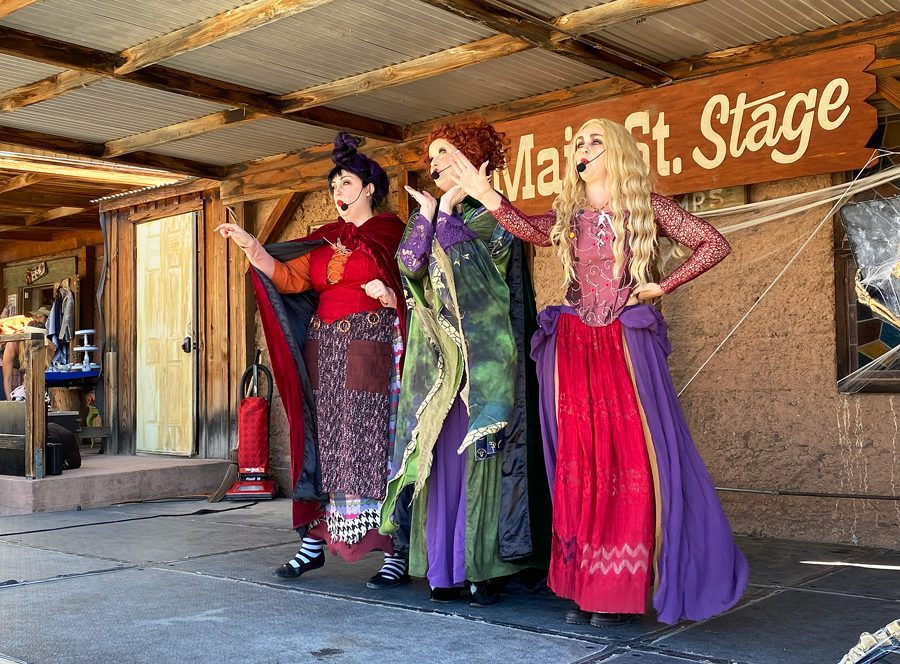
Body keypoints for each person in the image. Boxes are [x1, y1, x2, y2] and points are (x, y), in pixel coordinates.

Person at [452, 117, 749, 626]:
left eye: (595, 141)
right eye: (578, 142)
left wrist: (662, 286)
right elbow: (532, 232)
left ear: (617, 152)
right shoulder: (569, 213)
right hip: (574, 347)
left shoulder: (648, 208)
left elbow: (713, 243)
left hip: (623, 346)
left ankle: (618, 590)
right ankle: (586, 585)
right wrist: (487, 195)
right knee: (580, 464)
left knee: (628, 462)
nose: (583, 149)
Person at [215, 133, 409, 588]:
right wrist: (251, 246)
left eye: (347, 183)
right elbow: (286, 279)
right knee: (322, 446)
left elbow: (416, 283)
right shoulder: (324, 240)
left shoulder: (391, 235)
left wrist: (390, 293)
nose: (339, 191)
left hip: (371, 348)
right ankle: (314, 542)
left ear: (369, 188)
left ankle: (393, 549)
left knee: (370, 444)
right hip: (323, 351)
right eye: (334, 185)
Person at [380, 119, 549, 607]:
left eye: (444, 153)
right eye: (431, 157)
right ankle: (445, 568)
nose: (434, 164)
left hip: (483, 362)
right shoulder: (431, 214)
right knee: (440, 462)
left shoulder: (495, 215)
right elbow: (410, 266)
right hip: (439, 365)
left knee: (483, 459)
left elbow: (478, 276)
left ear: (472, 157)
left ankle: (482, 569)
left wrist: (450, 212)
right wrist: (430, 214)